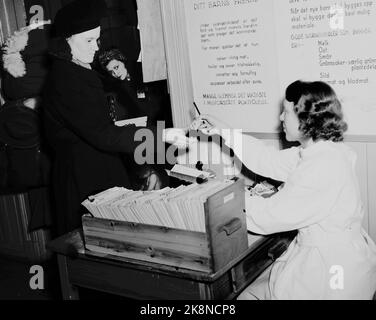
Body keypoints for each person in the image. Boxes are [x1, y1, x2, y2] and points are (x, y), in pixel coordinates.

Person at [192, 80, 376, 299]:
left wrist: (228, 196)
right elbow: (267, 159)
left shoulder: (323, 166)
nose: (280, 118)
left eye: (286, 111)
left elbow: (269, 216)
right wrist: (222, 130)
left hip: (332, 271)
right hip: (330, 256)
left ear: (306, 119)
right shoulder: (320, 150)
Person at [43, 0, 185, 236]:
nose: (95, 48)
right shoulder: (67, 79)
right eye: (87, 41)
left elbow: (105, 126)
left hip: (96, 170)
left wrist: (145, 166)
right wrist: (161, 135)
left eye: (97, 40)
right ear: (65, 41)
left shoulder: (77, 70)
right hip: (84, 179)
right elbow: (104, 134)